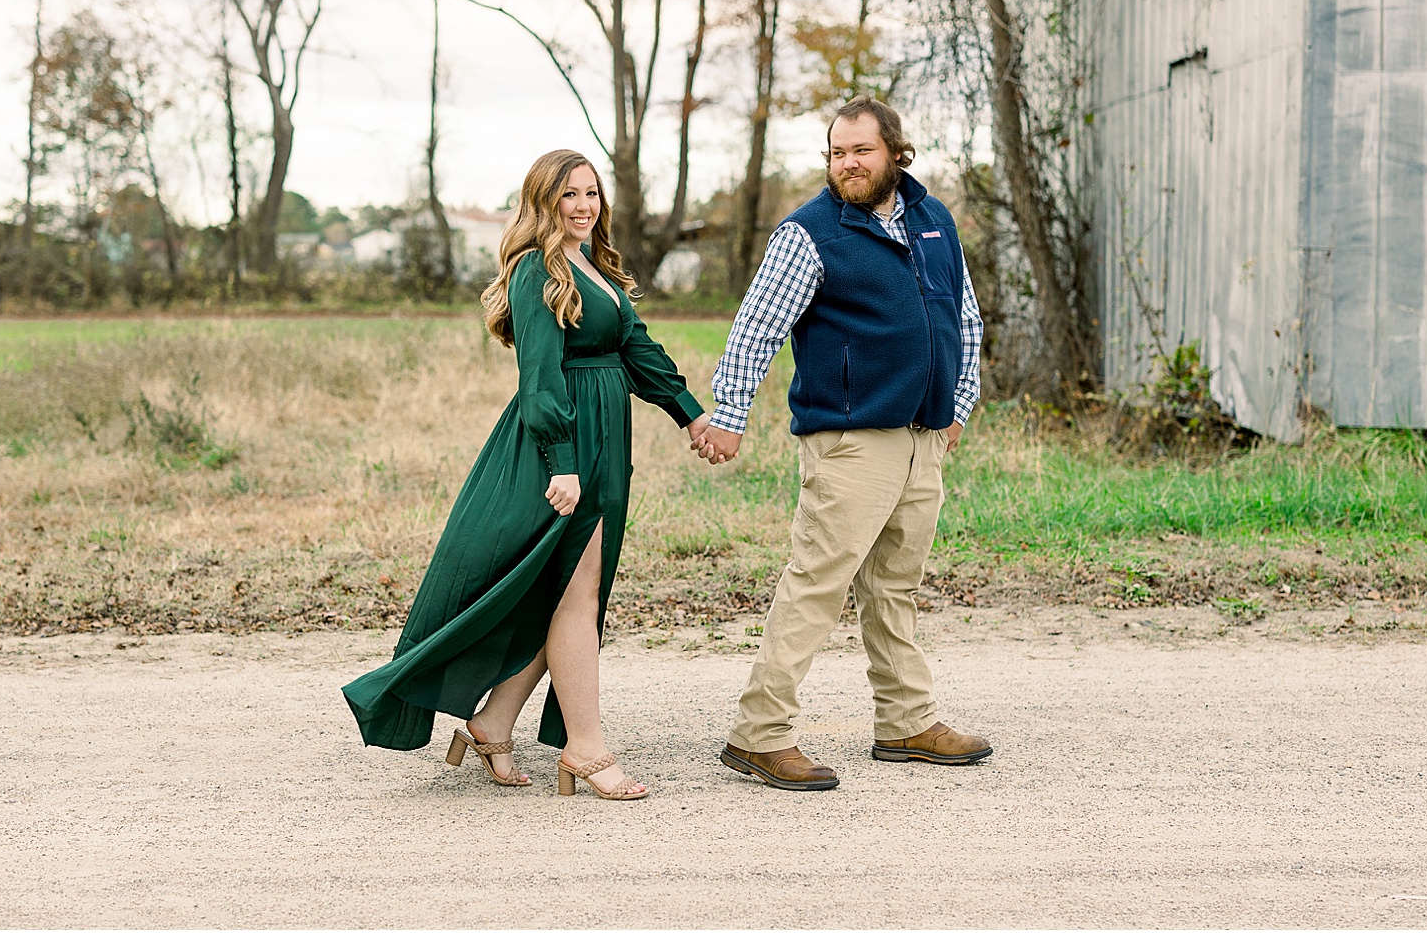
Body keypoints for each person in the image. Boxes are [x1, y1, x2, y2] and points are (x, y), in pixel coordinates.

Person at [342, 149, 712, 801]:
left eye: (592, 193)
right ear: (543, 201)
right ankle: (587, 746)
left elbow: (638, 350)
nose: (583, 205)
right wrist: (563, 463)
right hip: (558, 445)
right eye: (569, 194)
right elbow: (540, 377)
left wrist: (689, 414)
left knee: (563, 594)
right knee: (575, 594)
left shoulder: (592, 266)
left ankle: (491, 721)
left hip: (605, 436)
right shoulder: (536, 271)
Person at [692, 96, 991, 791]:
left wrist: (959, 405)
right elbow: (756, 325)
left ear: (895, 152)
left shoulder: (934, 221)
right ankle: (759, 733)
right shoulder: (810, 233)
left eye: (861, 149)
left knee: (895, 588)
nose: (848, 162)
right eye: (836, 152)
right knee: (817, 585)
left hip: (923, 437)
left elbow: (965, 317)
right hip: (851, 439)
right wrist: (729, 413)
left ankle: (906, 721)